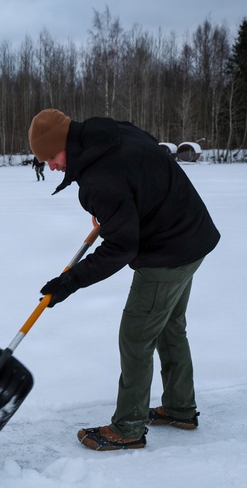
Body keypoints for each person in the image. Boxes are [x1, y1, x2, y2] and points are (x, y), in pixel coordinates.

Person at [29, 108, 220, 452]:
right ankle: (179, 407)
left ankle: (128, 427)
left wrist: (70, 281)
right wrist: (122, 207)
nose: (51, 166)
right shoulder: (113, 132)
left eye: (51, 157)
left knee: (136, 335)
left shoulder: (100, 179)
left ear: (65, 145)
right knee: (169, 326)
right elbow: (144, 160)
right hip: (193, 234)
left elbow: (120, 247)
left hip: (168, 251)